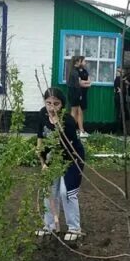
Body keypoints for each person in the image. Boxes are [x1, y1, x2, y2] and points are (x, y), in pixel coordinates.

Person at [36, 87, 86, 241]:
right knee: (49, 191)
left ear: (62, 104)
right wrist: (43, 163)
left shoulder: (68, 121)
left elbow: (67, 147)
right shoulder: (42, 114)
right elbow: (40, 141)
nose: (51, 108)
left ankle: (74, 228)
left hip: (72, 158)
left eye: (56, 104)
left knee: (66, 192)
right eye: (48, 103)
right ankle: (49, 226)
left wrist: (58, 123)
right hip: (53, 158)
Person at [67, 55, 92, 138]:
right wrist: (86, 84)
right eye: (81, 61)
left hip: (75, 93)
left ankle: (75, 130)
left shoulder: (75, 71)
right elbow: (78, 83)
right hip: (74, 93)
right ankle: (72, 130)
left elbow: (85, 82)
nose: (82, 62)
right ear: (77, 62)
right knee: (74, 112)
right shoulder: (74, 71)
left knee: (75, 112)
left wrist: (85, 83)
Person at [113, 67, 130, 134]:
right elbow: (119, 90)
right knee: (120, 113)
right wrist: (125, 85)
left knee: (121, 113)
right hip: (119, 98)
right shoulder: (118, 79)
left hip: (120, 98)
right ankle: (119, 130)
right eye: (122, 72)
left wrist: (126, 84)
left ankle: (121, 130)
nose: (123, 73)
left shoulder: (122, 80)